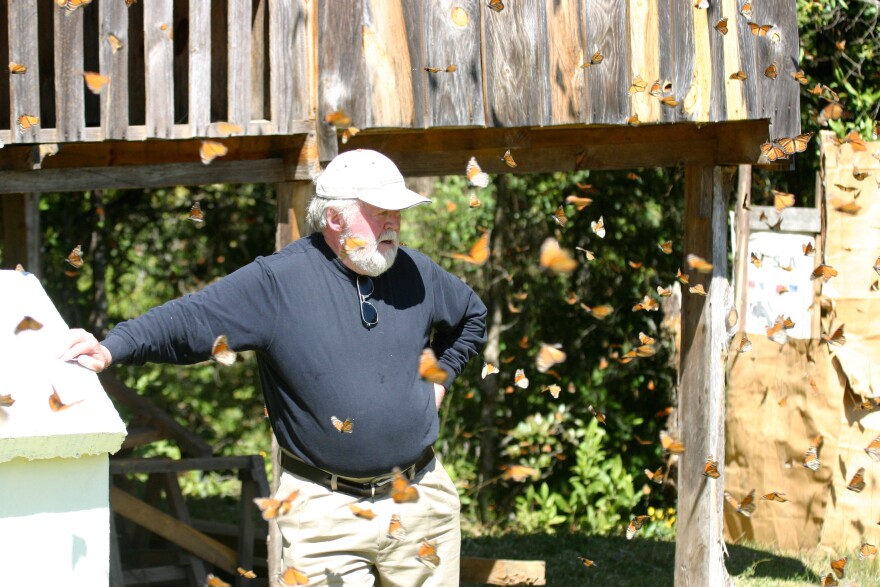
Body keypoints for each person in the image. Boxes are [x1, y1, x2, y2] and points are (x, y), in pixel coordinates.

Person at [62, 149, 488, 586]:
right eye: (380, 213)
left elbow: (472, 318)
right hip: (325, 513)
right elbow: (194, 320)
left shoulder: (418, 272)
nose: (393, 224)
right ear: (336, 219)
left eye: (397, 213)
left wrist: (439, 379)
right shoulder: (277, 283)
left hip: (419, 499)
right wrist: (115, 346)